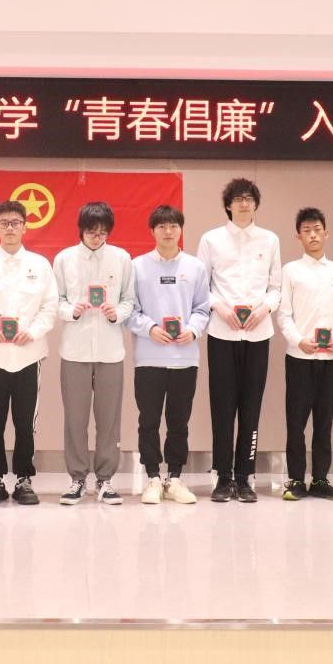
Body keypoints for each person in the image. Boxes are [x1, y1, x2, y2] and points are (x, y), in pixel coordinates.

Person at [0, 200, 58, 506]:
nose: (10, 228)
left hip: (28, 354)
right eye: (4, 223)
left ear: (25, 227)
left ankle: (23, 478)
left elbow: (50, 306)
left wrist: (33, 332)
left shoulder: (40, 265)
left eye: (15, 223)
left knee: (25, 421)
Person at [196, 178, 282, 503]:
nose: (244, 203)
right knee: (222, 406)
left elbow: (275, 287)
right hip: (222, 332)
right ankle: (222, 476)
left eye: (249, 198)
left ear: (256, 204)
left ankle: (245, 476)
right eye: (238, 199)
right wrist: (219, 307)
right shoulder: (211, 239)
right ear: (228, 205)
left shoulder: (270, 240)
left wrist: (265, 309)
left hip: (258, 333)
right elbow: (201, 286)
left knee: (251, 406)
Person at [53, 202, 135, 506]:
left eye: (102, 233)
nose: (97, 238)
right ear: (81, 230)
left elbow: (129, 300)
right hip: (74, 349)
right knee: (75, 419)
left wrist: (117, 313)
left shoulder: (122, 258)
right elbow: (55, 300)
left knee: (109, 419)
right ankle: (77, 478)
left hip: (110, 350)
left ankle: (105, 479)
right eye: (92, 232)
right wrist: (71, 310)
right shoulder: (64, 259)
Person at [128, 205, 210, 505]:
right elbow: (130, 310)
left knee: (179, 422)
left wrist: (193, 330)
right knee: (148, 420)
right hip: (149, 357)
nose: (168, 231)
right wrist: (149, 328)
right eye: (162, 226)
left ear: (181, 230)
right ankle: (152, 477)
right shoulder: (137, 267)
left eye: (173, 226)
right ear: (152, 231)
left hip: (184, 358)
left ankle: (175, 478)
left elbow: (203, 308)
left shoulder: (195, 267)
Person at [276, 207, 333, 502]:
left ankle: (320, 479)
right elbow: (283, 314)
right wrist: (298, 340)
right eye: (306, 231)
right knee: (296, 422)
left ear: (326, 233)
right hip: (299, 357)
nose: (313, 235)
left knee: (324, 420)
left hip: (331, 359)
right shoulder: (290, 271)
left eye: (317, 229)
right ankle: (296, 478)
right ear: (299, 236)